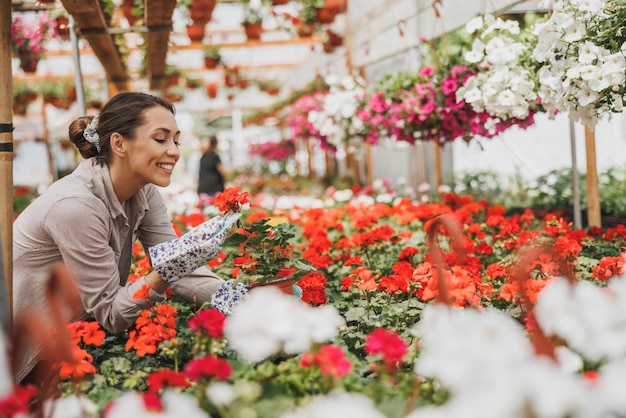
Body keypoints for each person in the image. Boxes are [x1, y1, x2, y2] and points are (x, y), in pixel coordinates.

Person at [12, 92, 237, 383]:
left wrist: (243, 300)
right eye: (161, 139)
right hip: (31, 355)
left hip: (76, 340)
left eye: (176, 140)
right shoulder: (74, 205)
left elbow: (176, 262)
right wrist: (165, 272)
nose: (174, 151)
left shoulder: (143, 190)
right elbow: (112, 313)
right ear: (119, 143)